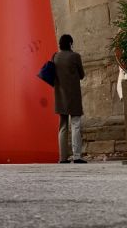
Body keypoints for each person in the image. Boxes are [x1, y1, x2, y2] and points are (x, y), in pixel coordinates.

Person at [53, 34, 86, 164]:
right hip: (73, 95)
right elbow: (82, 75)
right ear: (70, 43)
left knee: (62, 126)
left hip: (60, 95)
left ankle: (63, 157)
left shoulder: (55, 56)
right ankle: (77, 156)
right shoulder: (75, 56)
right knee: (76, 124)